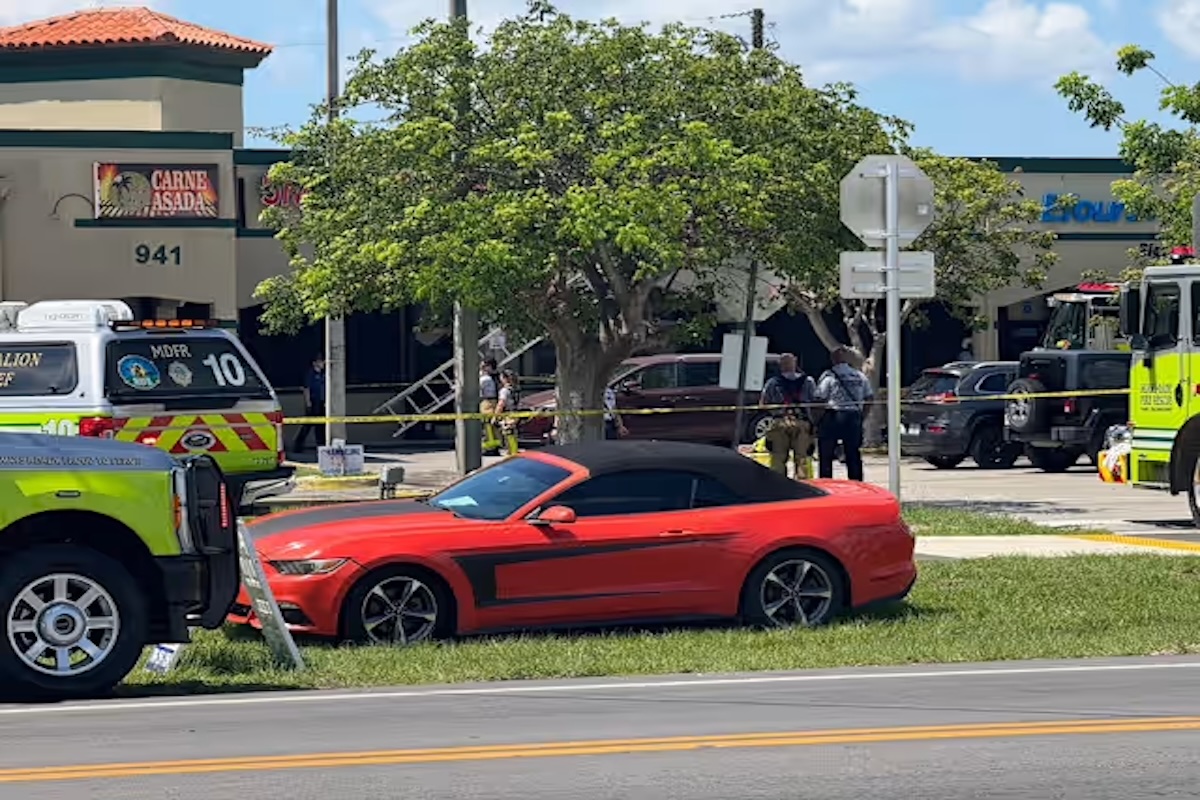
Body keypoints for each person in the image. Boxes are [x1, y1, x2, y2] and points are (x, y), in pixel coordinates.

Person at [814, 346, 872, 481]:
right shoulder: (859, 375)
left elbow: (819, 398)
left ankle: (826, 483)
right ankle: (857, 484)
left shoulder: (828, 376)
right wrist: (862, 416)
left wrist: (817, 420)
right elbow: (869, 398)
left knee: (826, 454)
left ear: (833, 359)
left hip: (834, 416)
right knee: (853, 454)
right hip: (853, 417)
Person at [758, 353, 816, 479]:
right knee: (802, 458)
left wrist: (774, 411)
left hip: (780, 422)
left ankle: (778, 485)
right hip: (802, 423)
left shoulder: (772, 382)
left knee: (778, 458)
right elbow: (816, 403)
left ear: (781, 365)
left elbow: (762, 404)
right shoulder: (808, 381)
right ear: (794, 363)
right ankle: (802, 486)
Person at [292, 354, 326, 452]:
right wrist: (308, 403)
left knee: (320, 426)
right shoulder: (310, 374)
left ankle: (321, 445)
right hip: (313, 402)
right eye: (320, 361)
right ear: (314, 363)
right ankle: (298, 445)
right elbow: (306, 389)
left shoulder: (323, 374)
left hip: (321, 402)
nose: (322, 363)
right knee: (307, 425)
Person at [492, 369, 521, 455]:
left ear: (504, 378)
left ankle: (512, 452)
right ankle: (513, 450)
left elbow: (501, 404)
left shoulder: (504, 391)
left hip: (507, 414)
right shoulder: (516, 389)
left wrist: (495, 416)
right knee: (513, 433)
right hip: (515, 413)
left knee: (508, 433)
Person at [479, 358, 500, 455]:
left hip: (486, 402)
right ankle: (493, 447)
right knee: (492, 427)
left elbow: (479, 389)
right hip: (493, 402)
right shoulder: (496, 377)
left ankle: (489, 448)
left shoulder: (485, 379)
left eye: (483, 366)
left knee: (487, 426)